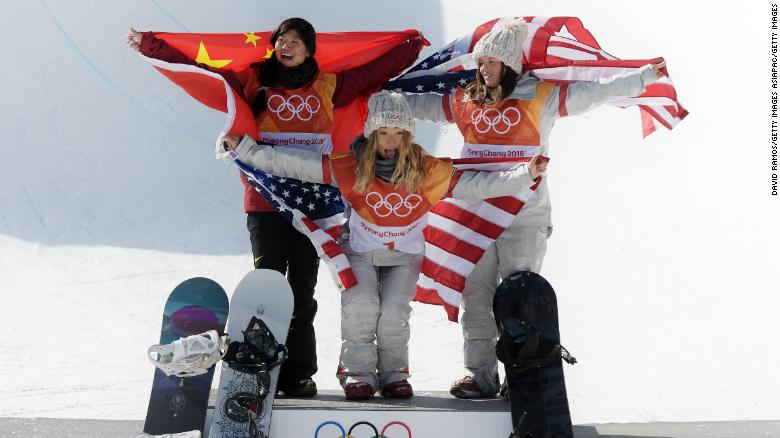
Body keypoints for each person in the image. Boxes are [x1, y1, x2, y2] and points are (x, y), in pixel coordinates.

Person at [127, 18, 424, 397]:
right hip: (265, 199)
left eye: (295, 41)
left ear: (309, 49)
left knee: (302, 286)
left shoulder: (330, 84)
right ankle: (259, 365)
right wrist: (156, 47)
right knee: (267, 282)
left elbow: (371, 74)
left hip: (311, 203)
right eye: (281, 39)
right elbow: (205, 74)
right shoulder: (254, 80)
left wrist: (409, 48)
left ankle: (298, 373)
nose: (287, 46)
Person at [221, 90, 548, 400]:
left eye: (398, 133)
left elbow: (479, 185)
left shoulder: (426, 170)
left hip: (404, 256)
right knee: (361, 306)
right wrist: (247, 150)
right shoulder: (351, 165)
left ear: (408, 136)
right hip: (360, 252)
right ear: (371, 134)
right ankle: (358, 373)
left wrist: (524, 174)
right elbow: (295, 164)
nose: (390, 141)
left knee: (393, 313)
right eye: (383, 133)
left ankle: (393, 375)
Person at [405, 18, 666, 399]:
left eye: (492, 63)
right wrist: (383, 97)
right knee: (476, 298)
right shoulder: (467, 98)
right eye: (481, 62)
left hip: (523, 215)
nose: (484, 69)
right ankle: (480, 377)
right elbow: (423, 106)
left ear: (510, 64)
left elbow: (593, 94)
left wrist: (642, 77)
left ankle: (521, 375)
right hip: (472, 212)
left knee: (517, 297)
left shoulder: (539, 96)